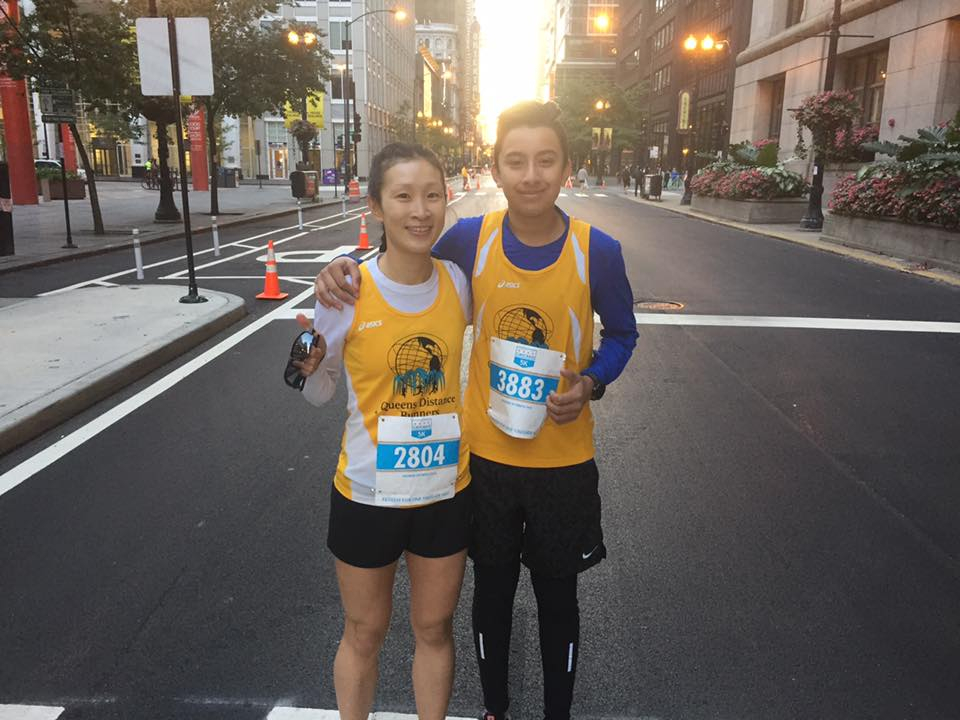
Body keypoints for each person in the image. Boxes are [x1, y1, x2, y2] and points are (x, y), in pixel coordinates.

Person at [314, 101, 637, 720]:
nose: (532, 175)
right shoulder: (470, 238)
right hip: (482, 463)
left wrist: (592, 381)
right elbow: (402, 266)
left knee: (559, 599)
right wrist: (341, 270)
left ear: (567, 167)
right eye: (516, 161)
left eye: (546, 160)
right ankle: (494, 710)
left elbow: (624, 334)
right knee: (489, 594)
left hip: (564, 462)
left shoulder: (601, 250)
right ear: (496, 169)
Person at [288, 142, 474, 720]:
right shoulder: (347, 291)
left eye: (432, 195)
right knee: (364, 632)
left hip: (446, 489)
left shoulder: (460, 283)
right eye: (403, 196)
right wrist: (308, 364)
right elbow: (315, 390)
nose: (420, 210)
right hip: (367, 493)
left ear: (447, 201)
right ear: (375, 206)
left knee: (434, 628)